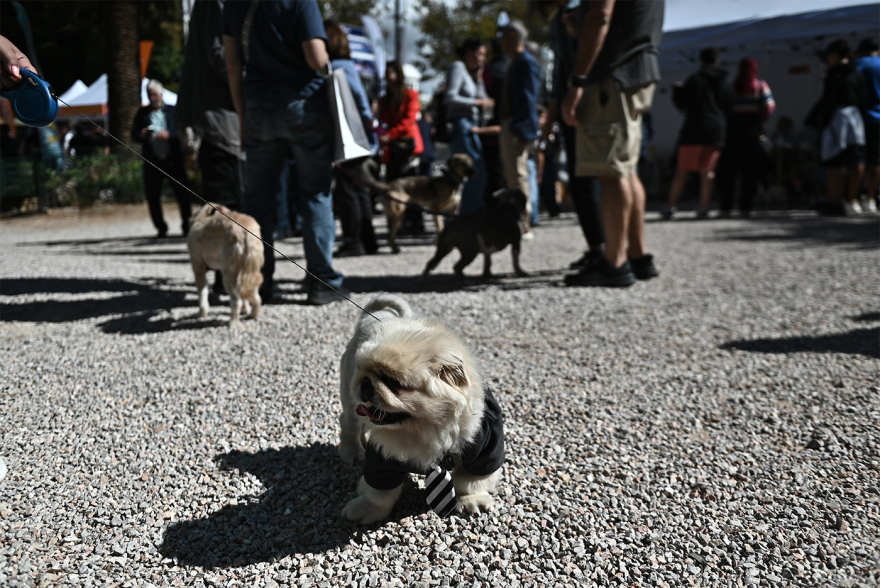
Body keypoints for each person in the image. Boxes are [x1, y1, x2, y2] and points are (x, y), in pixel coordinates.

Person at [223, 0, 347, 305]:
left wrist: (243, 116)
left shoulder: (234, 6)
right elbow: (316, 57)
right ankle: (322, 282)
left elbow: (233, 65)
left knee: (257, 202)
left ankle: (258, 282)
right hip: (302, 103)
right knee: (315, 194)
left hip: (257, 106)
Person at [562, 0, 664, 288]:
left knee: (611, 171)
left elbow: (600, 15)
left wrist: (577, 81)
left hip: (612, 73)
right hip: (638, 68)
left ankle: (615, 261)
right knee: (626, 167)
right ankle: (638, 255)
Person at [542, 0, 605, 270]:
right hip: (570, 100)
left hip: (588, 98)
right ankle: (597, 246)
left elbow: (586, 53)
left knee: (595, 179)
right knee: (581, 182)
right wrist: (553, 113)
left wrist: (575, 89)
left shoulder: (587, 9)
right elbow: (560, 71)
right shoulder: (560, 18)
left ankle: (608, 250)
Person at [325, 19, 379, 258]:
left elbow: (358, 97)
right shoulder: (346, 64)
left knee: (348, 189)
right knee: (357, 188)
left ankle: (354, 239)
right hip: (357, 135)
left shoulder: (337, 66)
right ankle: (367, 240)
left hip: (349, 134)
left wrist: (368, 119)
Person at [663, 46, 731, 220]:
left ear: (701, 61)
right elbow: (729, 105)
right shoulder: (725, 81)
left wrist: (677, 90)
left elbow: (683, 104)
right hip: (716, 129)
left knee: (683, 169)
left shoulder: (695, 79)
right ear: (718, 61)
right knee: (707, 170)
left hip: (695, 128)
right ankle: (703, 208)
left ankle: (671, 206)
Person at [806, 39, 866, 216]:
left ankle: (834, 199)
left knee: (835, 162)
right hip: (856, 118)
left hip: (838, 118)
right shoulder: (857, 73)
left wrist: (823, 121)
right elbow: (863, 99)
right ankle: (851, 198)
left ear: (835, 55)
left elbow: (829, 100)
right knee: (856, 159)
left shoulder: (834, 74)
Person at [131, 80, 192, 238]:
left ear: (161, 94)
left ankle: (187, 225)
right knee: (153, 196)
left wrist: (169, 135)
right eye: (150, 95)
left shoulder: (173, 111)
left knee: (183, 194)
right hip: (153, 160)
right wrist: (142, 135)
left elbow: (182, 131)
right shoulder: (142, 114)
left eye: (155, 95)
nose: (152, 98)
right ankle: (161, 228)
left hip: (173, 160)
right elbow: (134, 134)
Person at [716, 58, 776, 218]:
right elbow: (769, 107)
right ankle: (745, 205)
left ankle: (726, 205)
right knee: (749, 172)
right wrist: (760, 120)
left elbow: (723, 108)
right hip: (752, 132)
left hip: (733, 133)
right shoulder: (760, 86)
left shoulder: (731, 87)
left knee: (729, 171)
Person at [498, 21, 540, 239]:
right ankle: (519, 221)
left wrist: (519, 127)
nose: (501, 41)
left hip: (516, 125)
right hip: (513, 123)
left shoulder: (525, 62)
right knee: (513, 176)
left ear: (513, 36)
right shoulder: (518, 61)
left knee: (518, 176)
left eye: (503, 36)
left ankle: (524, 224)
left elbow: (528, 98)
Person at [445, 38, 494, 215]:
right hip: (461, 126)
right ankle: (465, 214)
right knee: (475, 172)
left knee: (477, 172)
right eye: (480, 54)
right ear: (468, 53)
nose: (482, 58)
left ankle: (467, 212)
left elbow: (482, 96)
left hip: (471, 126)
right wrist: (478, 102)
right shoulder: (457, 67)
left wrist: (479, 79)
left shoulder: (471, 73)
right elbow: (449, 97)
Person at [481, 37, 511, 200]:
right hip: (512, 128)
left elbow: (484, 93)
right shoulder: (515, 67)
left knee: (492, 175)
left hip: (490, 131)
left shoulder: (489, 70)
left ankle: (493, 210)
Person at [855, 38, 880, 213]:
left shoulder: (858, 65)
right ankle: (871, 197)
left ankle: (854, 197)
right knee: (876, 160)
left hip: (861, 117)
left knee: (858, 159)